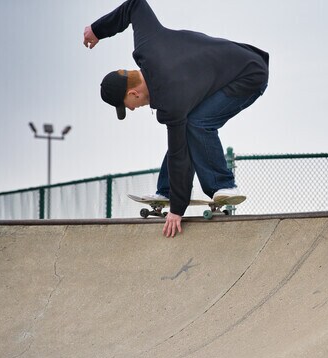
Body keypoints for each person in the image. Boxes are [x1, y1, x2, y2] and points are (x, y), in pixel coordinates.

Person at [83, 0, 269, 238]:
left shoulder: (172, 100)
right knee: (190, 125)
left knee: (197, 123)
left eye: (127, 106)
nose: (131, 109)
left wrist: (177, 209)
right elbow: (135, 6)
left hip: (248, 75)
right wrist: (97, 29)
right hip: (233, 63)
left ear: (133, 93)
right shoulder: (147, 44)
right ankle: (167, 188)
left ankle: (223, 185)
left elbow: (179, 154)